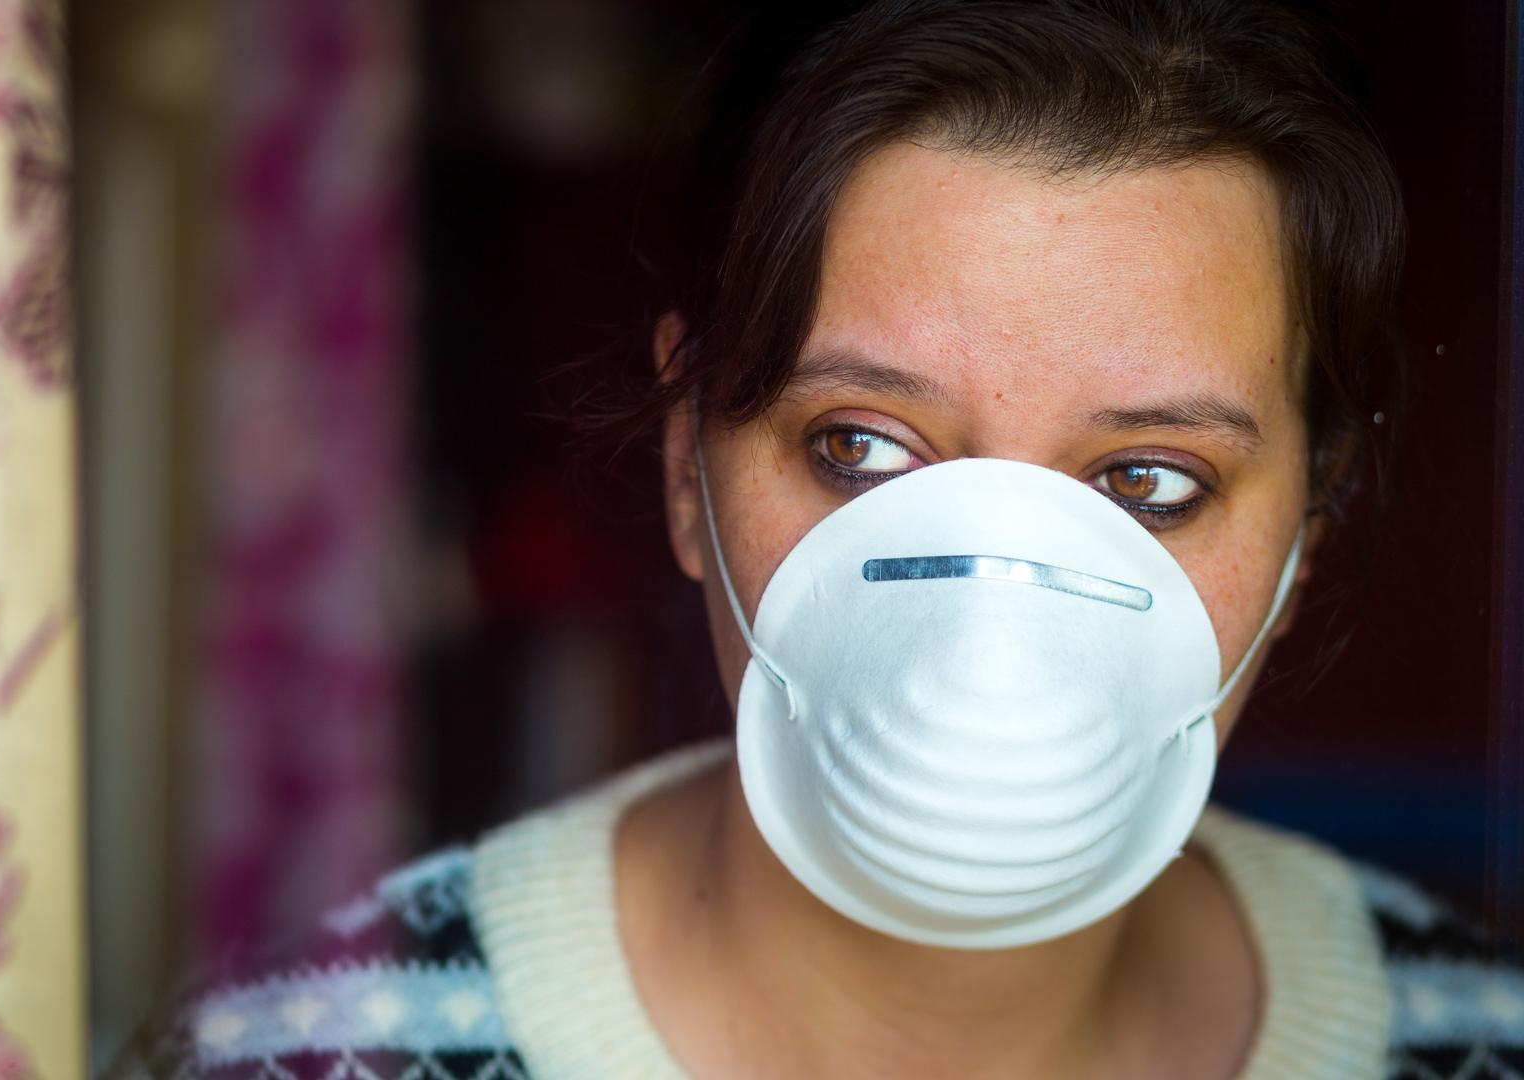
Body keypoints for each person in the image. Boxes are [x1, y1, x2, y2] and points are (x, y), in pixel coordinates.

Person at [114, 1, 1524, 1076]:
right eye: (860, 447)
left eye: (1151, 481)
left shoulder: (1469, 1039)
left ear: (1309, 532)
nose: (992, 619)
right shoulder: (319, 1048)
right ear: (687, 468)